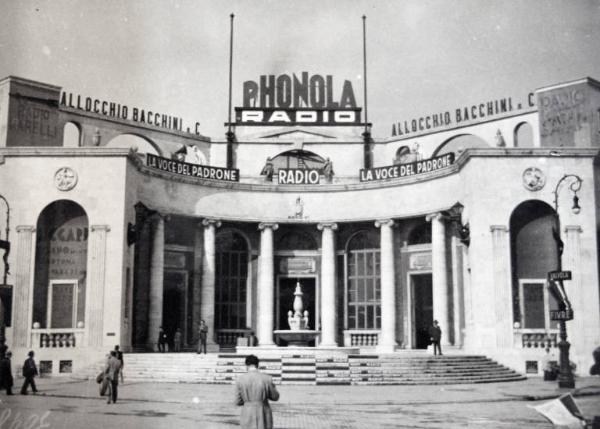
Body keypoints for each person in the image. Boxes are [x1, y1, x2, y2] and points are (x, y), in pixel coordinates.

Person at [234, 355, 279, 429]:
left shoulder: (240, 379)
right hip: (264, 413)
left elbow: (237, 401)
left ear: (247, 365)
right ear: (257, 365)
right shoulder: (267, 378)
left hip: (247, 413)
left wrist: (247, 402)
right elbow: (275, 397)